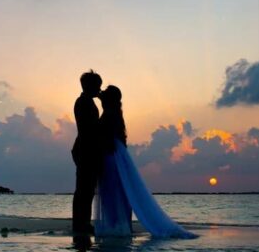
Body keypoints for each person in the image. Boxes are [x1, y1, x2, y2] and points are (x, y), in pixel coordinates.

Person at [93, 85, 197, 239]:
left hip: (111, 156)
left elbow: (105, 137)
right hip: (115, 154)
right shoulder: (113, 113)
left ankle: (117, 226)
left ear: (109, 100)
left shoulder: (110, 115)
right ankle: (119, 225)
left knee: (113, 190)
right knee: (119, 191)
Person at [71, 70, 103, 234]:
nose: (99, 89)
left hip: (85, 149)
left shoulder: (86, 102)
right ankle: (80, 224)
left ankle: (82, 222)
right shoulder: (83, 103)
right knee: (84, 189)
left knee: (86, 189)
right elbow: (90, 129)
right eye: (98, 86)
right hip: (85, 150)